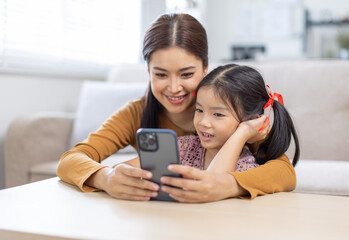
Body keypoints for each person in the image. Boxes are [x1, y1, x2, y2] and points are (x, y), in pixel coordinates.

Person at [57, 13, 297, 203]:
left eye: (186, 74)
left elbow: (284, 171)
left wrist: (225, 185)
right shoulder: (137, 113)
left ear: (205, 69)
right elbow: (71, 160)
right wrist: (106, 177)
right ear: (148, 72)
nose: (174, 87)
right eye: (160, 74)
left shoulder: (230, 116)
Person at [176, 64, 299, 179]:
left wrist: (243, 133)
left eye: (218, 114)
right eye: (199, 110)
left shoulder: (246, 168)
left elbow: (215, 186)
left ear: (251, 121)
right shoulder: (183, 147)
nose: (203, 122)